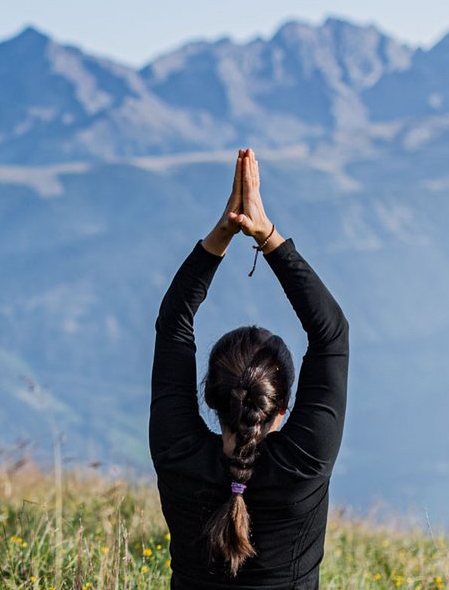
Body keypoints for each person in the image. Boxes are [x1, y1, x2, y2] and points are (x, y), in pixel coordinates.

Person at [150, 148, 350, 588]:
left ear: (208, 397)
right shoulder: (304, 464)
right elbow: (332, 333)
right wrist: (267, 234)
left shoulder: (178, 454)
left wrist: (222, 233)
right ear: (284, 404)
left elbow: (173, 325)